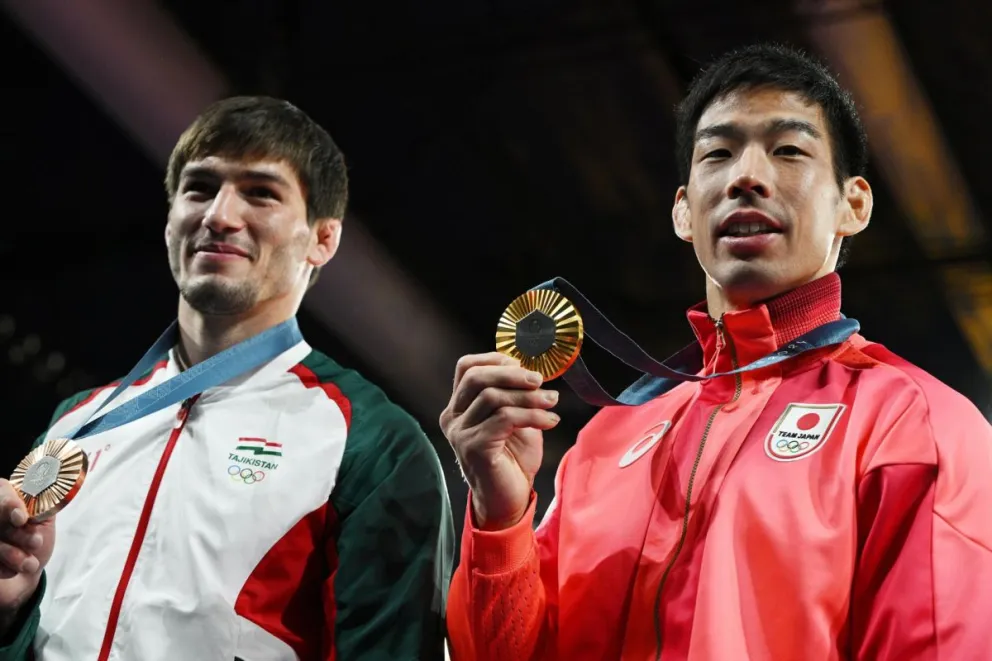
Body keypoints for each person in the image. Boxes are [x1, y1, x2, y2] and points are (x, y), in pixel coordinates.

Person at [441, 43, 992, 660]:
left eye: (788, 150)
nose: (744, 177)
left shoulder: (910, 425)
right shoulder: (603, 444)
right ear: (683, 210)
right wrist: (500, 515)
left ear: (853, 205)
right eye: (718, 154)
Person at [0, 96, 454, 660]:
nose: (218, 214)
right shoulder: (77, 422)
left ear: (323, 239)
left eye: (260, 193)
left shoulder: (374, 441)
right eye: (199, 188)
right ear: (170, 220)